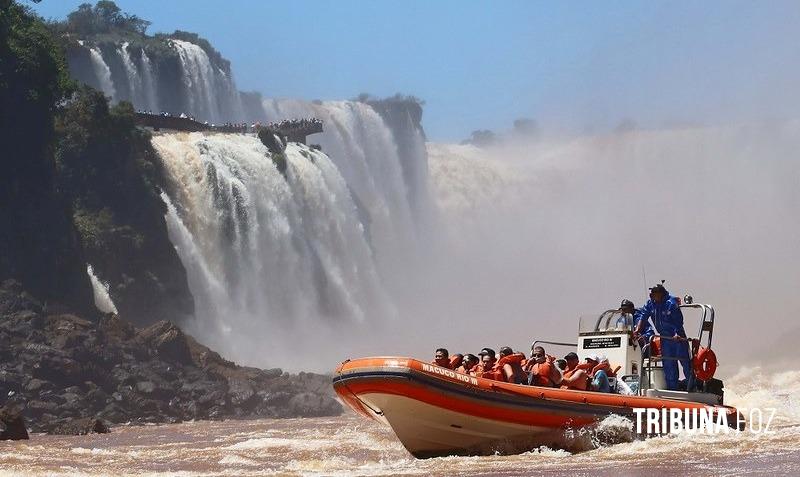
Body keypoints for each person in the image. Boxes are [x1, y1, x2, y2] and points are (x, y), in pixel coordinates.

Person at [638, 283, 692, 390]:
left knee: (684, 362)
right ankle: (673, 388)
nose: (651, 296)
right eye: (651, 294)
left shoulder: (670, 303)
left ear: (660, 294)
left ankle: (692, 386)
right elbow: (643, 316)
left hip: (677, 337)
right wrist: (637, 330)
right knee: (668, 363)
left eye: (654, 294)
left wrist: (677, 334)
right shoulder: (650, 304)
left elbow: (678, 321)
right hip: (665, 338)